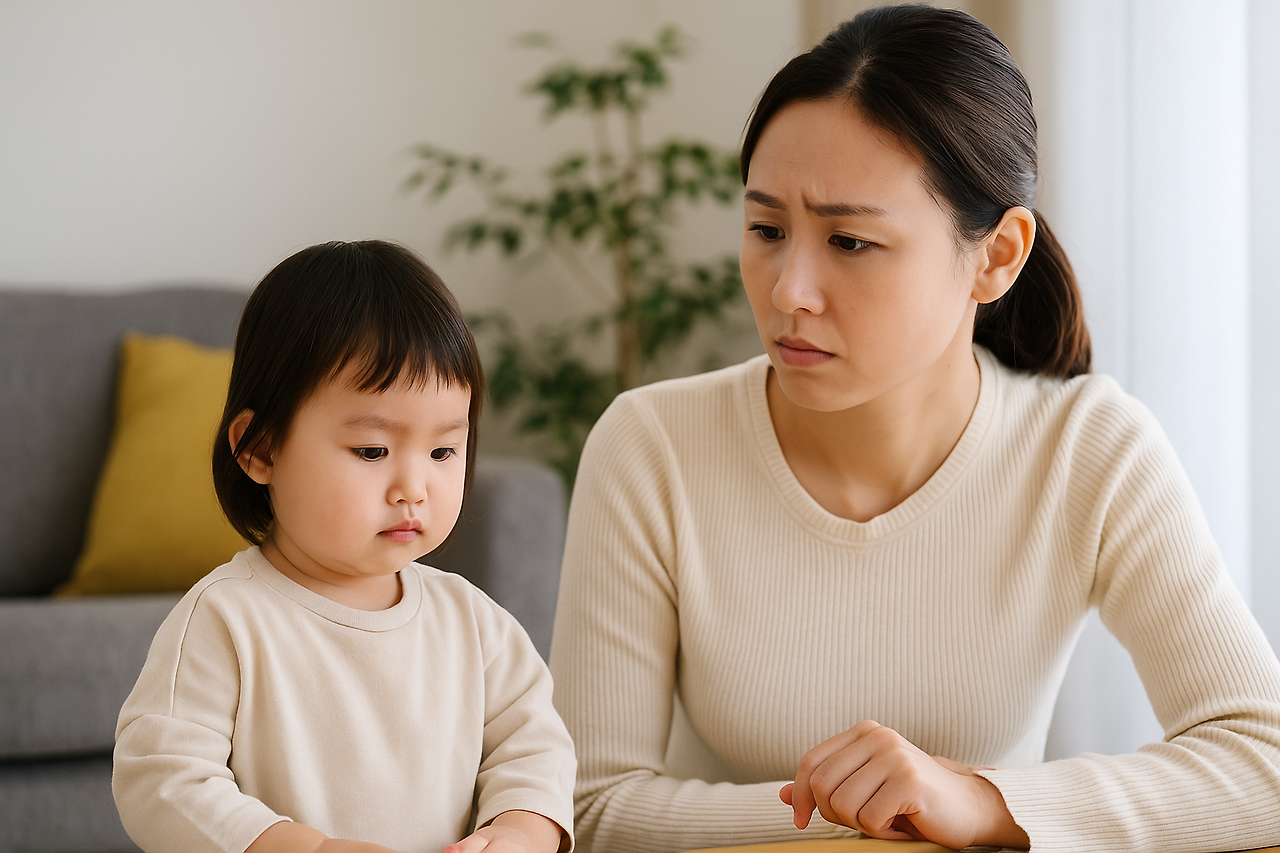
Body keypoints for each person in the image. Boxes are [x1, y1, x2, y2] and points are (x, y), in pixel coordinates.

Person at [547, 6, 1280, 853]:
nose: (789, 291)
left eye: (850, 240)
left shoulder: (1088, 448)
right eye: (766, 229)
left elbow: (1263, 759)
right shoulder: (652, 444)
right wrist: (872, 812)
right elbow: (590, 806)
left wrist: (979, 802)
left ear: (997, 256)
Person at [113, 241, 575, 853]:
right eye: (372, 452)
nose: (414, 488)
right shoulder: (226, 619)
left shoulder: (473, 622)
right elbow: (162, 781)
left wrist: (520, 831)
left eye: (442, 452)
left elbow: (536, 749)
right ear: (260, 448)